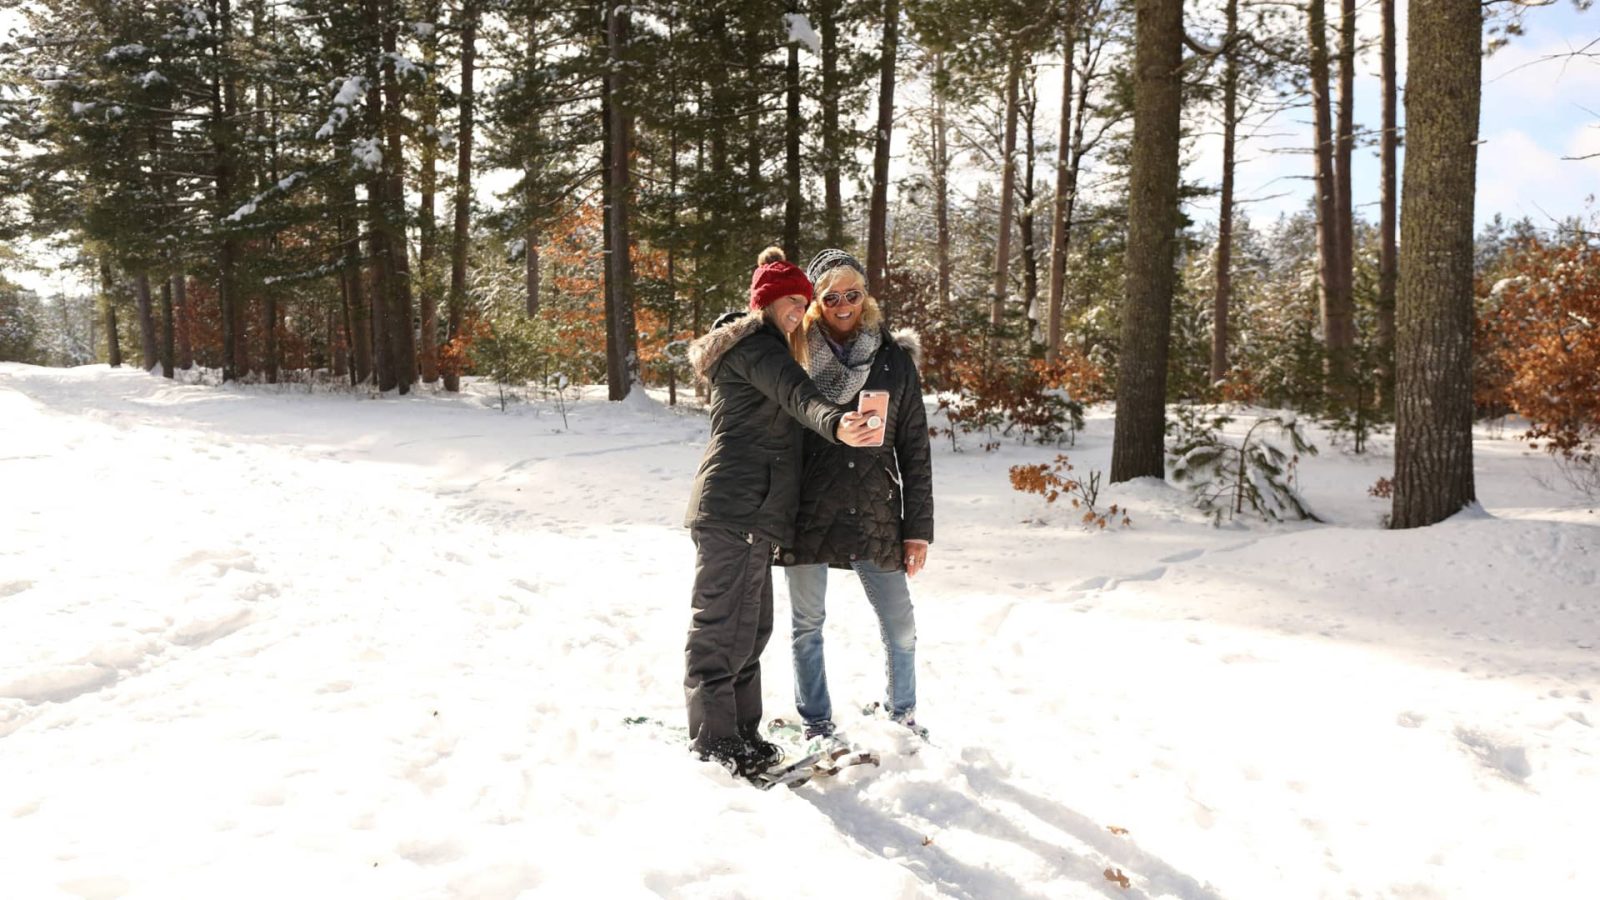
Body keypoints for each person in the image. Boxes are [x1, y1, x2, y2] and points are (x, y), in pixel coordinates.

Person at [683, 246, 883, 777]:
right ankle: (714, 744)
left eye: (803, 301)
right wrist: (838, 423)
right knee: (721, 631)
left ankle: (743, 737)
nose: (800, 310)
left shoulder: (770, 348)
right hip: (733, 508)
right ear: (767, 303)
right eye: (791, 301)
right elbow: (800, 397)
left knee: (751, 631)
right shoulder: (757, 347)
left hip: (755, 516)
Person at [778, 248, 935, 746]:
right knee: (807, 625)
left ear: (865, 297)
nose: (843, 303)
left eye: (853, 293)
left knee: (900, 625)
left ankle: (903, 716)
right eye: (831, 296)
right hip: (809, 508)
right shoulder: (794, 354)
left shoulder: (893, 359)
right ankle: (816, 723)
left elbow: (915, 449)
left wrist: (918, 531)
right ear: (815, 302)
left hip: (876, 510)